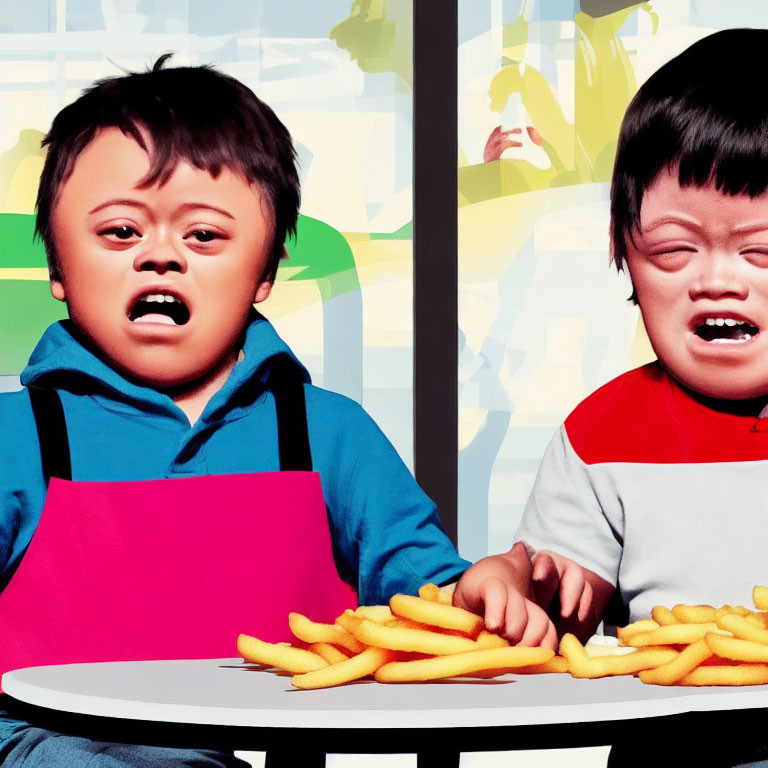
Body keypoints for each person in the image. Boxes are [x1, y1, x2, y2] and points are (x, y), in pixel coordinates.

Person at [0, 55, 480, 767]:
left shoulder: (328, 434)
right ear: (57, 270)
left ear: (266, 271)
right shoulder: (18, 438)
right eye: (121, 232)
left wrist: (484, 595)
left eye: (203, 235)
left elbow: (426, 599)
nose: (160, 257)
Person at [455, 27, 768, 766]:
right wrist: (514, 586)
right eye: (673, 249)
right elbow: (564, 607)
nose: (716, 279)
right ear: (621, 250)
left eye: (762, 250)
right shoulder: (601, 433)